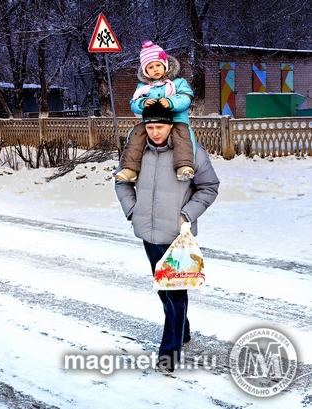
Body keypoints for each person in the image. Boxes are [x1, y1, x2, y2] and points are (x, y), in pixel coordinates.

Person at [114, 102, 219, 374]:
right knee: (165, 289)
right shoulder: (136, 152)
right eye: (149, 127)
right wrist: (132, 210)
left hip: (176, 236)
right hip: (148, 233)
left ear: (171, 125)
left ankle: (169, 353)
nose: (155, 132)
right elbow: (122, 181)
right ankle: (182, 332)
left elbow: (209, 187)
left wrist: (186, 215)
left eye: (160, 126)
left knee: (174, 292)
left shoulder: (191, 152)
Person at [116, 40, 196, 183]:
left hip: (176, 121)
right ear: (146, 71)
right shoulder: (143, 87)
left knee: (182, 136)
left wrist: (171, 101)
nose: (155, 69)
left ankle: (184, 165)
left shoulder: (178, 82)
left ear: (165, 65)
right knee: (136, 134)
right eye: (150, 67)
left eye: (158, 65)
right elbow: (133, 103)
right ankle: (130, 168)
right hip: (151, 122)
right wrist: (142, 103)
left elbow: (186, 97)